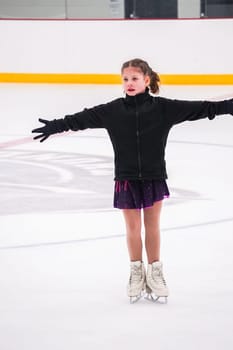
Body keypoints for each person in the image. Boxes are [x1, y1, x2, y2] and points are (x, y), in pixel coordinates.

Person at [32, 58, 233, 303]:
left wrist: (227, 106)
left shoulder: (164, 109)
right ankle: (136, 272)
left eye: (135, 78)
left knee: (153, 226)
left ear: (147, 81)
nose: (129, 83)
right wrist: (55, 126)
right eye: (125, 79)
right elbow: (80, 120)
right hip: (126, 178)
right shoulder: (112, 111)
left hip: (153, 177)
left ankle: (155, 271)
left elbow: (200, 108)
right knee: (132, 228)